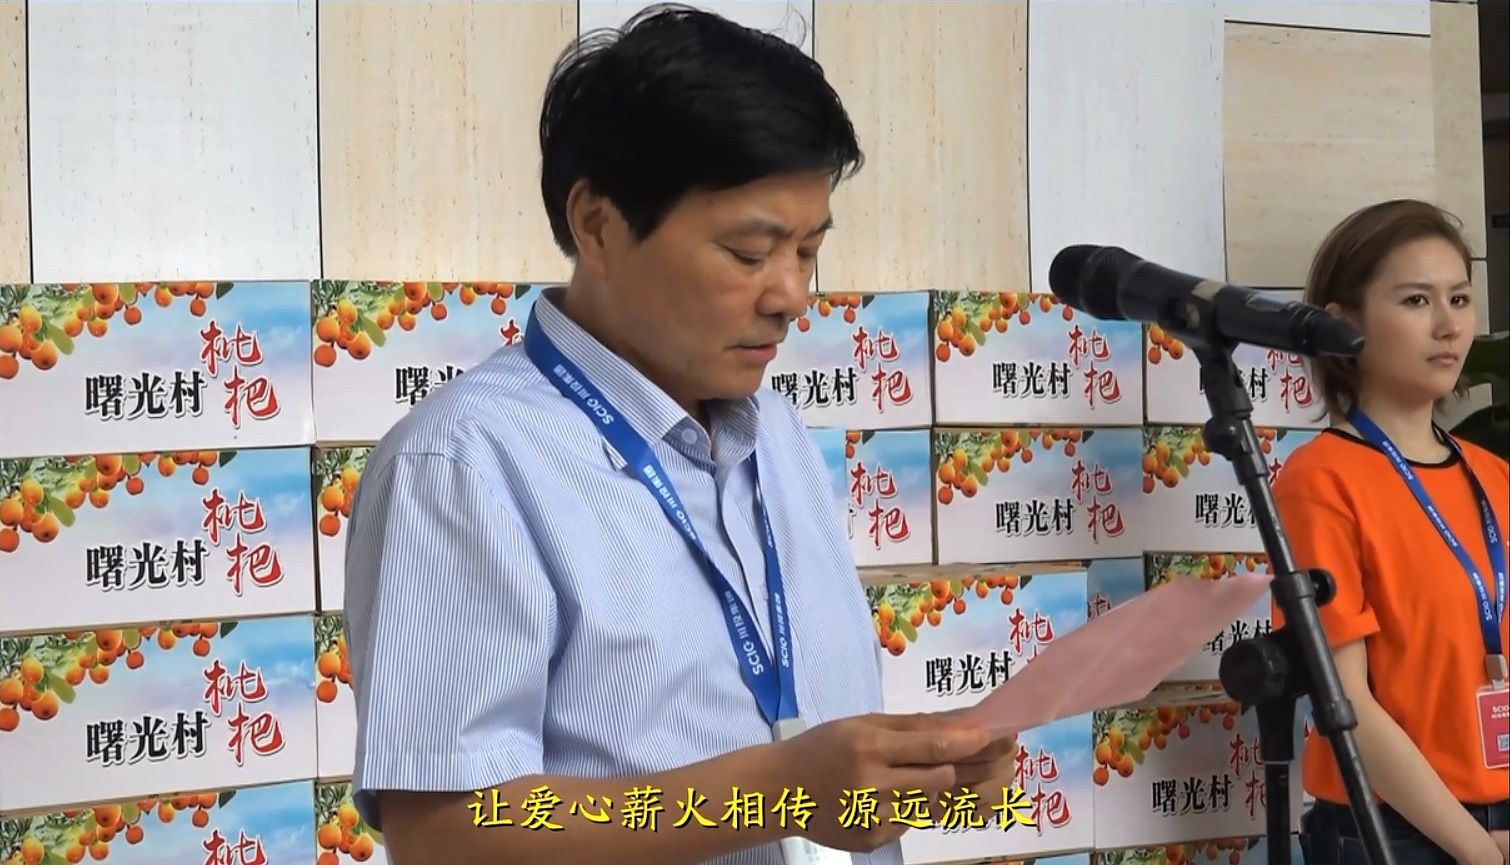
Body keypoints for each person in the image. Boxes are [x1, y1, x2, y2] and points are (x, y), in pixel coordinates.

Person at [340, 6, 1018, 865]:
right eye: (749, 253)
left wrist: (920, 773)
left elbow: (811, 756)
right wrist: (774, 792)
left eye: (808, 252)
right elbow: (447, 835)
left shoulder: (780, 435)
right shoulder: (465, 463)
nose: (790, 296)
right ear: (598, 225)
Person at [1272, 199, 1509, 865]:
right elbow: (1344, 700)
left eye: (1459, 299)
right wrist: (1475, 850)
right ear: (1344, 323)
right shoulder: (1321, 478)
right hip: (1390, 831)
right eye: (1416, 300)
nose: (1448, 325)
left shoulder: (1494, 476)